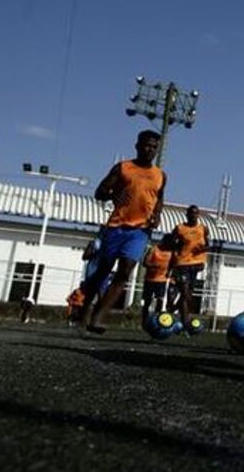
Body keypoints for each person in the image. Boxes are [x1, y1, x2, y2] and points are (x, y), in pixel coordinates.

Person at [79, 130, 166, 333]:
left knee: (125, 271)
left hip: (140, 231)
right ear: (137, 146)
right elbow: (99, 192)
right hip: (117, 227)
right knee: (103, 271)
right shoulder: (123, 168)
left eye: (154, 146)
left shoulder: (160, 175)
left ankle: (98, 317)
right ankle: (84, 308)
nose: (150, 149)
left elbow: (159, 198)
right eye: (146, 145)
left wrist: (157, 215)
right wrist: (113, 194)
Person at [168, 205, 210, 331]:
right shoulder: (180, 228)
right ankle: (184, 318)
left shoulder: (203, 228)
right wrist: (175, 253)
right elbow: (172, 242)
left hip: (197, 264)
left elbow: (208, 245)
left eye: (196, 213)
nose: (193, 215)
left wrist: (203, 249)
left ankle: (184, 320)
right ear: (187, 215)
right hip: (183, 264)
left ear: (199, 215)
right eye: (191, 213)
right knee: (185, 292)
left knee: (188, 293)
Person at [140, 233, 176, 329]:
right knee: (147, 302)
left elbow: (173, 264)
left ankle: (156, 321)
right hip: (150, 279)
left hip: (162, 279)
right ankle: (144, 322)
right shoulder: (154, 249)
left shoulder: (171, 253)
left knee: (160, 300)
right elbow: (145, 262)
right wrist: (152, 266)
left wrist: (170, 272)